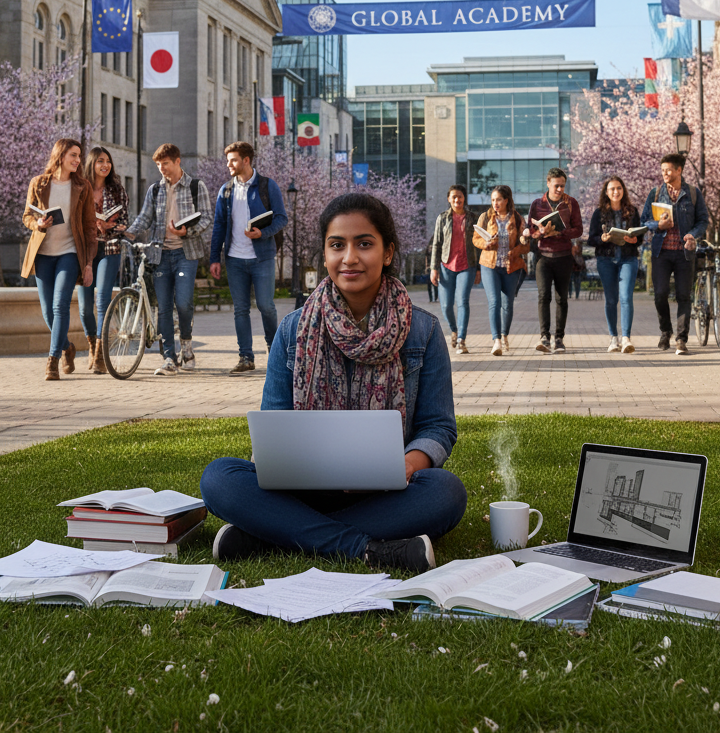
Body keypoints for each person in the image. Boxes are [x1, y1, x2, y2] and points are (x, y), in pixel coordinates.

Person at [200, 192, 467, 574]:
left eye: (365, 244)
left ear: (388, 253)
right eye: (337, 245)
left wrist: (405, 465)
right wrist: (279, 461)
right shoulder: (293, 330)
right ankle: (368, 548)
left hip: (388, 493)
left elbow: (438, 427)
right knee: (219, 478)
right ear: (324, 255)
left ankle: (270, 535)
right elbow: (276, 417)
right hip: (299, 492)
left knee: (446, 493)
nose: (350, 258)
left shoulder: (422, 331)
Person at [125, 143, 212, 375]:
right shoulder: (155, 190)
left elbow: (206, 219)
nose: (161, 168)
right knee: (163, 308)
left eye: (165, 163)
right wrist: (128, 232)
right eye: (158, 164)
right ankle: (169, 359)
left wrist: (188, 232)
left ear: (177, 161)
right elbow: (144, 218)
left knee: (183, 303)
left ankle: (186, 345)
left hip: (186, 254)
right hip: (160, 254)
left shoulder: (195, 186)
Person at [21, 138, 97, 381]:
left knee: (59, 305)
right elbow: (27, 216)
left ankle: (52, 360)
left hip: (69, 252)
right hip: (43, 254)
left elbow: (89, 228)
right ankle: (67, 347)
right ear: (60, 155)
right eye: (73, 155)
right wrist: (38, 223)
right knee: (47, 312)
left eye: (79, 156)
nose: (77, 160)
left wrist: (87, 263)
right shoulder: (39, 183)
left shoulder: (82, 187)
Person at [209, 142, 288, 375]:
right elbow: (219, 225)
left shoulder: (267, 186)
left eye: (233, 160)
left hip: (261, 257)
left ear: (246, 160)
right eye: (227, 160)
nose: (228, 164)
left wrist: (262, 233)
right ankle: (246, 357)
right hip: (234, 259)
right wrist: (215, 258)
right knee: (240, 309)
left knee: (266, 306)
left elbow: (281, 218)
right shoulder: (226, 190)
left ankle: (275, 352)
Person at [641, 153, 709, 356]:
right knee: (660, 294)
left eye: (669, 170)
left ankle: (681, 339)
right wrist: (658, 225)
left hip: (684, 254)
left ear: (679, 170)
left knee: (683, 296)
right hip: (661, 253)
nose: (665, 173)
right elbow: (644, 221)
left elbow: (703, 221)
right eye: (663, 170)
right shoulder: (655, 193)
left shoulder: (693, 194)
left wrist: (693, 235)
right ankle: (665, 331)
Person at [78, 146, 129, 374]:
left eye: (107, 161)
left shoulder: (117, 190)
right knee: (84, 308)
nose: (105, 165)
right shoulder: (80, 189)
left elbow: (125, 223)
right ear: (92, 164)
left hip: (110, 248)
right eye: (100, 161)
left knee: (103, 301)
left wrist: (110, 227)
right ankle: (91, 345)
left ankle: (100, 354)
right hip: (87, 251)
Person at [526, 167, 583, 354]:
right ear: (548, 183)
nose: (560, 189)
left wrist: (561, 232)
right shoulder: (537, 204)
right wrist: (540, 232)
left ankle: (559, 338)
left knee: (561, 299)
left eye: (563, 186)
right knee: (544, 296)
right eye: (556, 186)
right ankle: (544, 337)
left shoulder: (571, 203)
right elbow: (530, 231)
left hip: (564, 257)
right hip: (543, 257)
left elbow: (579, 229)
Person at [587, 175, 644, 353]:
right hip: (606, 260)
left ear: (623, 190)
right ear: (606, 192)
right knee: (611, 300)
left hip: (628, 258)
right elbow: (591, 239)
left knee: (626, 298)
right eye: (612, 189)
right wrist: (602, 239)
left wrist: (635, 239)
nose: (616, 192)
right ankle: (614, 338)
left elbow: (640, 237)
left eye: (619, 188)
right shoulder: (599, 214)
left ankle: (626, 338)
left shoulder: (632, 211)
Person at [472, 184, 528, 355]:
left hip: (511, 267)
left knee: (508, 304)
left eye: (499, 200)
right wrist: (486, 244)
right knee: (494, 302)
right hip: (490, 265)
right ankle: (496, 340)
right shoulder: (486, 217)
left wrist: (518, 248)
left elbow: (526, 247)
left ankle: (504, 335)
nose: (495, 203)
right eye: (493, 200)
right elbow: (475, 239)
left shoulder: (517, 219)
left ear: (506, 200)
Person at [429, 185, 480, 354]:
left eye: (460, 197)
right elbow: (436, 243)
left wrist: (479, 269)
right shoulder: (442, 218)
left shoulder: (473, 218)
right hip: (446, 266)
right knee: (445, 305)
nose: (457, 200)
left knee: (463, 301)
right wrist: (433, 268)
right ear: (449, 199)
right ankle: (454, 329)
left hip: (468, 265)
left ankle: (461, 340)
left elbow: (479, 245)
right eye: (454, 197)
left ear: (464, 198)